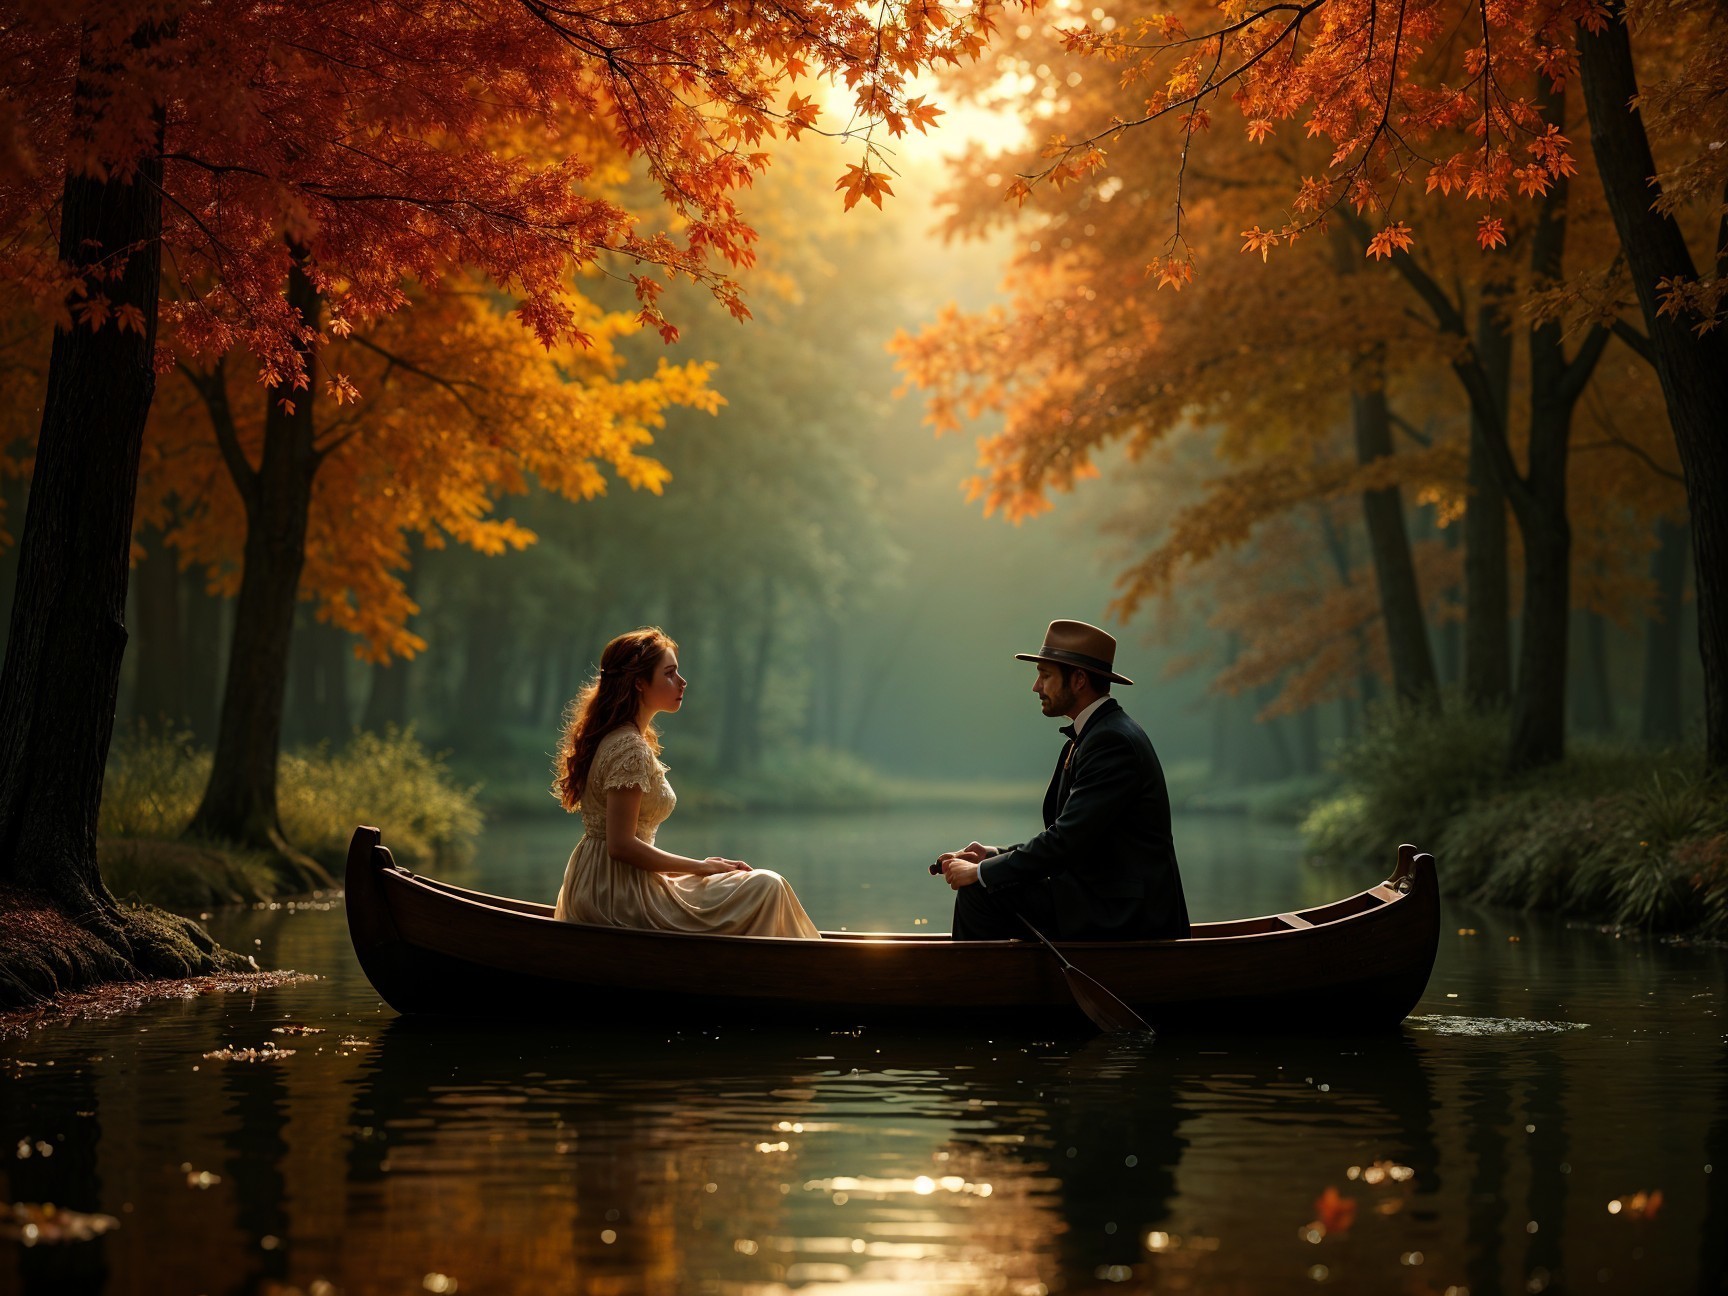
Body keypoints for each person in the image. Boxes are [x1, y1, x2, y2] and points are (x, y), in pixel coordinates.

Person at [550, 627, 820, 939]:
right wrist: (701, 867)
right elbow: (621, 846)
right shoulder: (629, 748)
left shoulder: (620, 738)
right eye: (669, 673)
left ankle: (794, 966)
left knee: (764, 884)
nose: (682, 682)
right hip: (617, 895)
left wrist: (698, 868)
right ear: (639, 682)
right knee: (765, 886)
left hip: (608, 883)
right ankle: (801, 971)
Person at [935, 619, 1190, 942]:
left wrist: (981, 872)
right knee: (990, 886)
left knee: (980, 892)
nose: (1036, 687)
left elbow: (1066, 843)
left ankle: (981, 990)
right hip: (1101, 900)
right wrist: (992, 854)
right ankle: (1012, 985)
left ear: (1079, 680)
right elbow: (1071, 837)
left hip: (1125, 914)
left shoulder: (1111, 741)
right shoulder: (1093, 736)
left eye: (1045, 675)